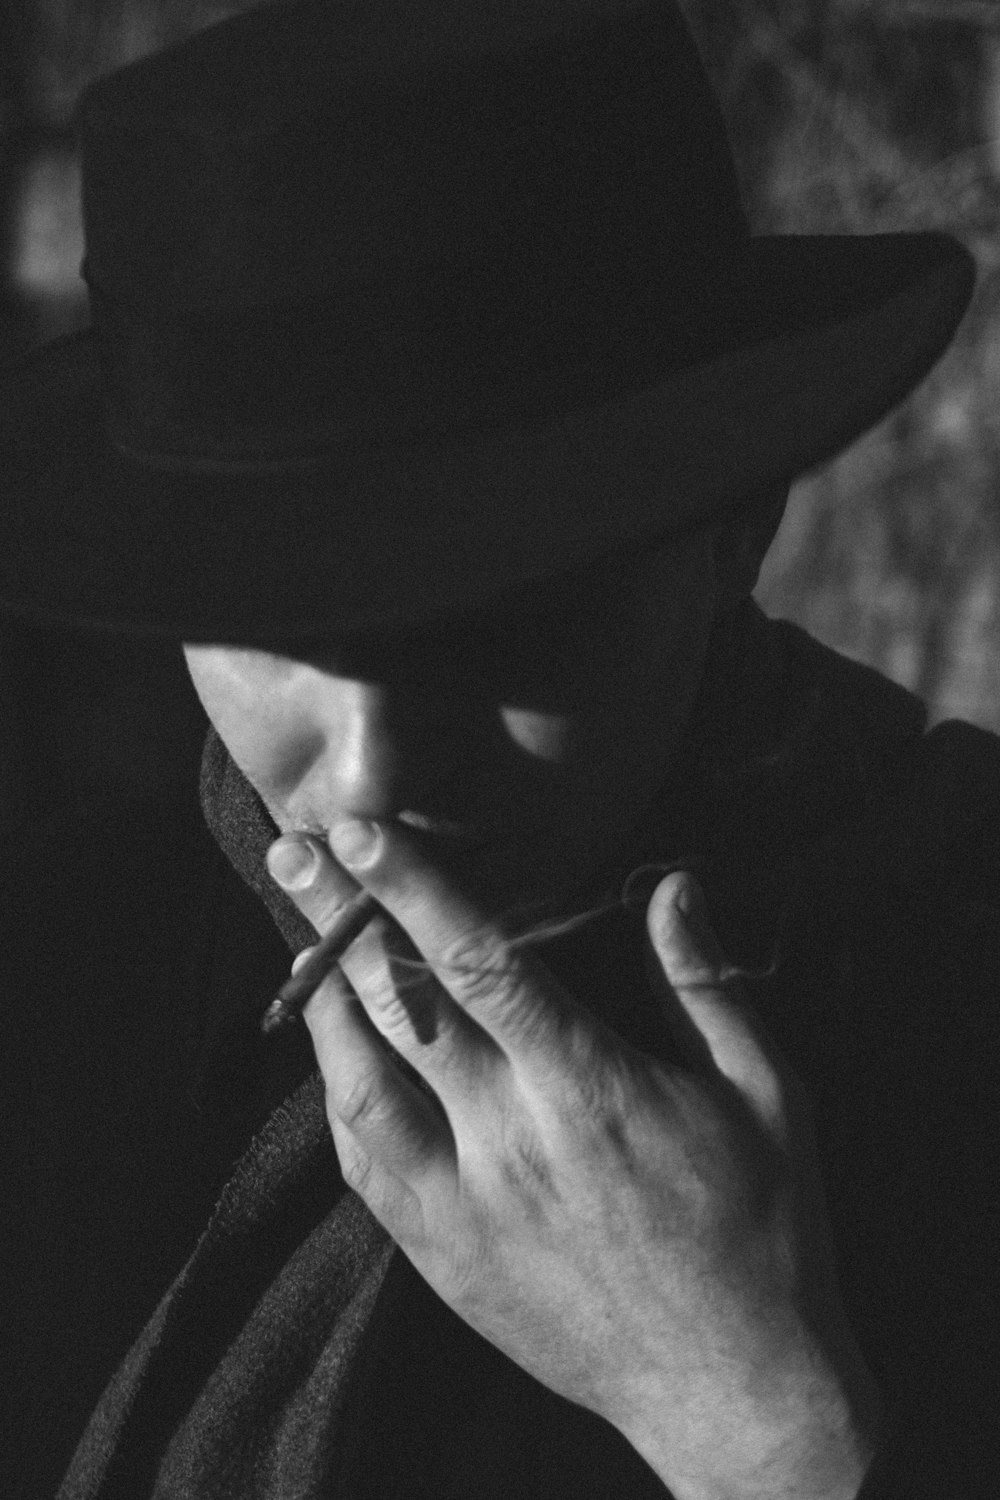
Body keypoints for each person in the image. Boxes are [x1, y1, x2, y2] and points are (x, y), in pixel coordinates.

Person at [1, 1, 996, 1496]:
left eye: (499, 631)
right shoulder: (59, 971)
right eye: (267, 632)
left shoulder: (960, 971)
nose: (364, 779)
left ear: (737, 523)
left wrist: (762, 1425)